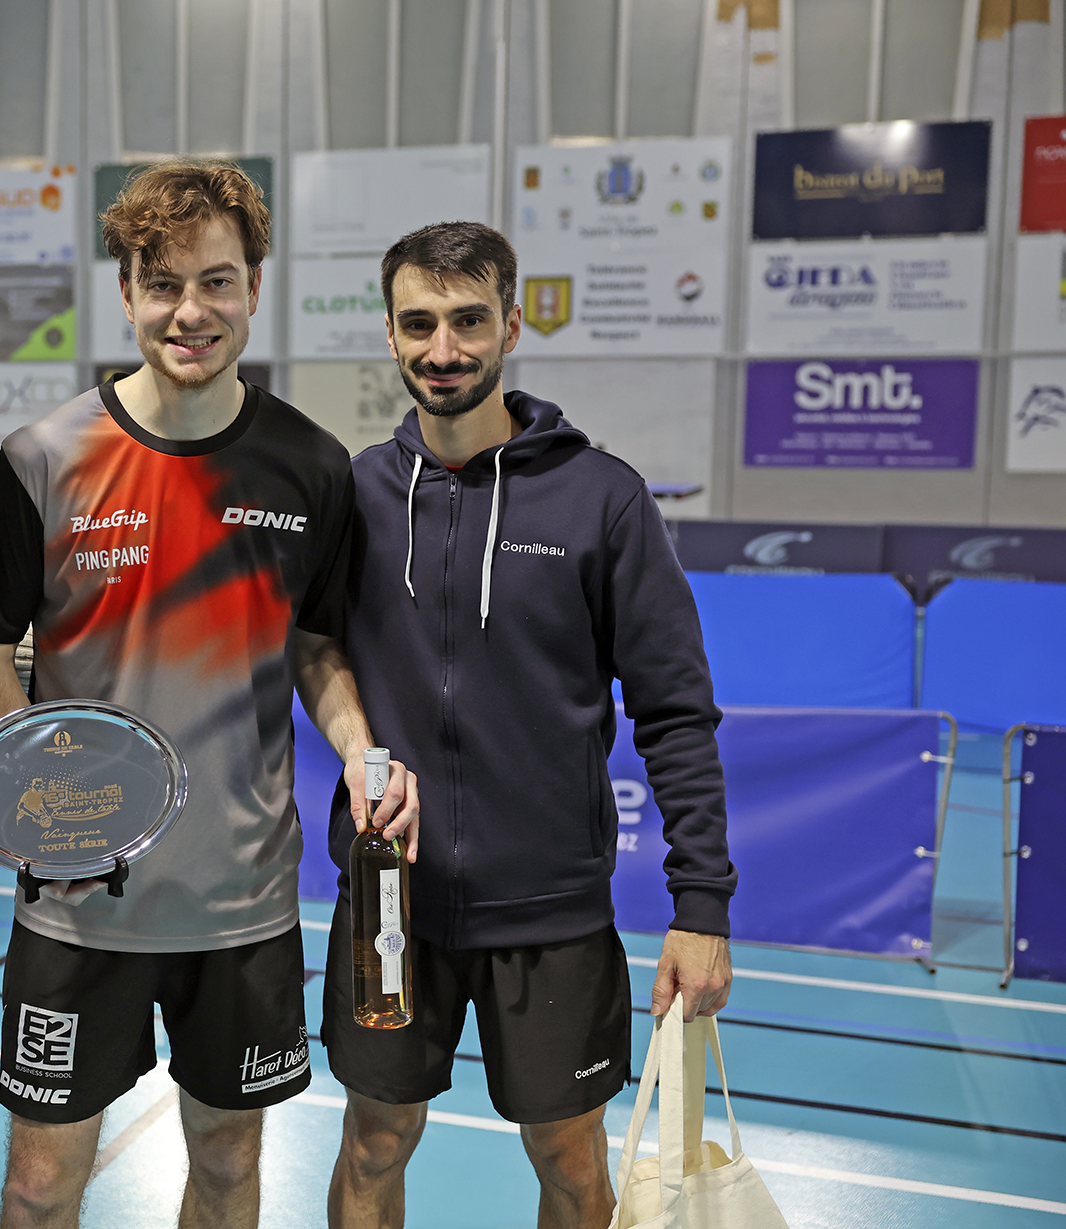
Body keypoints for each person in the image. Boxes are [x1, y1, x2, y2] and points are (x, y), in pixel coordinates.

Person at [0, 160, 419, 1229]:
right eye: (162, 283)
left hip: (239, 902)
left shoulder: (310, 466)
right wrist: (32, 785)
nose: (189, 311)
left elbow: (316, 648)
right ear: (125, 292)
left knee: (224, 1159)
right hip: (77, 902)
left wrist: (358, 752)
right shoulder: (41, 459)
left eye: (215, 281)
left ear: (254, 286)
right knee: (36, 1185)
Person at [320, 221, 737, 1229]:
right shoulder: (353, 494)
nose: (443, 348)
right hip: (389, 903)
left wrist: (701, 906)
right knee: (373, 1139)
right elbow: (309, 648)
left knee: (568, 1155)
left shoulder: (601, 498)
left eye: (468, 321)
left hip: (551, 912)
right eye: (419, 323)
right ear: (389, 333)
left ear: (511, 325)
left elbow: (675, 711)